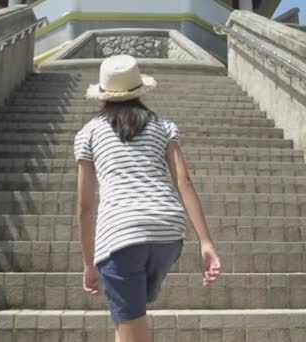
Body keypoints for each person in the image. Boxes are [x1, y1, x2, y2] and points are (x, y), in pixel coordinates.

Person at [74, 55, 221, 342]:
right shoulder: (164, 126)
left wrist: (89, 262)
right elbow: (184, 182)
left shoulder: (88, 133)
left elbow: (85, 207)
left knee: (132, 332)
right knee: (128, 320)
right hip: (168, 234)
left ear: (104, 94)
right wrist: (206, 242)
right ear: (139, 89)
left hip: (121, 234)